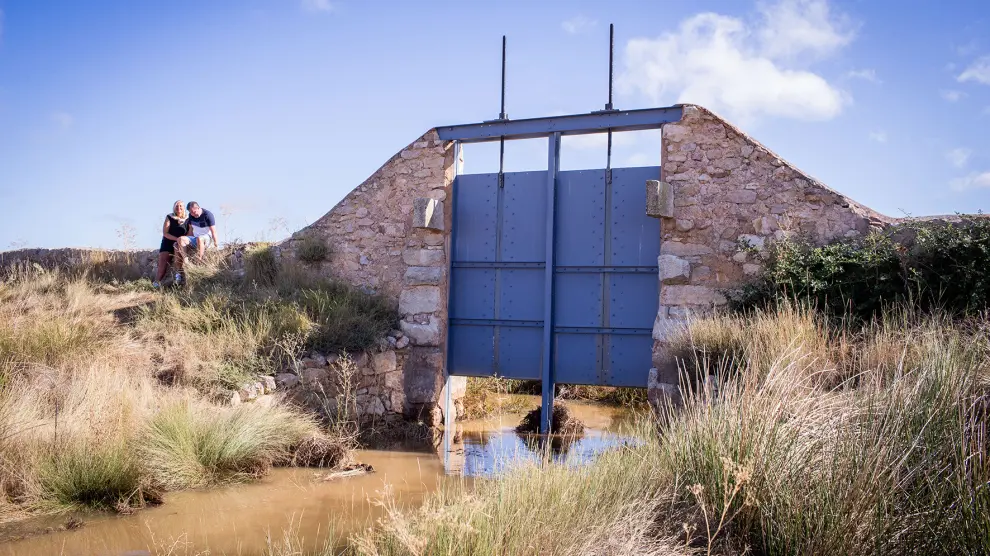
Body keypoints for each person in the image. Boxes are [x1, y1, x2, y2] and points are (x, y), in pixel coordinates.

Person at [153, 200, 190, 288]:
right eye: (177, 206)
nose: (179, 208)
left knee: (179, 257)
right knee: (162, 266)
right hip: (168, 242)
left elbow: (190, 233)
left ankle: (178, 277)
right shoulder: (169, 217)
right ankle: (155, 284)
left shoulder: (188, 219)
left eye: (181, 206)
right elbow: (165, 233)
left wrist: (181, 240)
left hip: (181, 243)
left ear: (184, 208)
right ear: (174, 208)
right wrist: (177, 239)